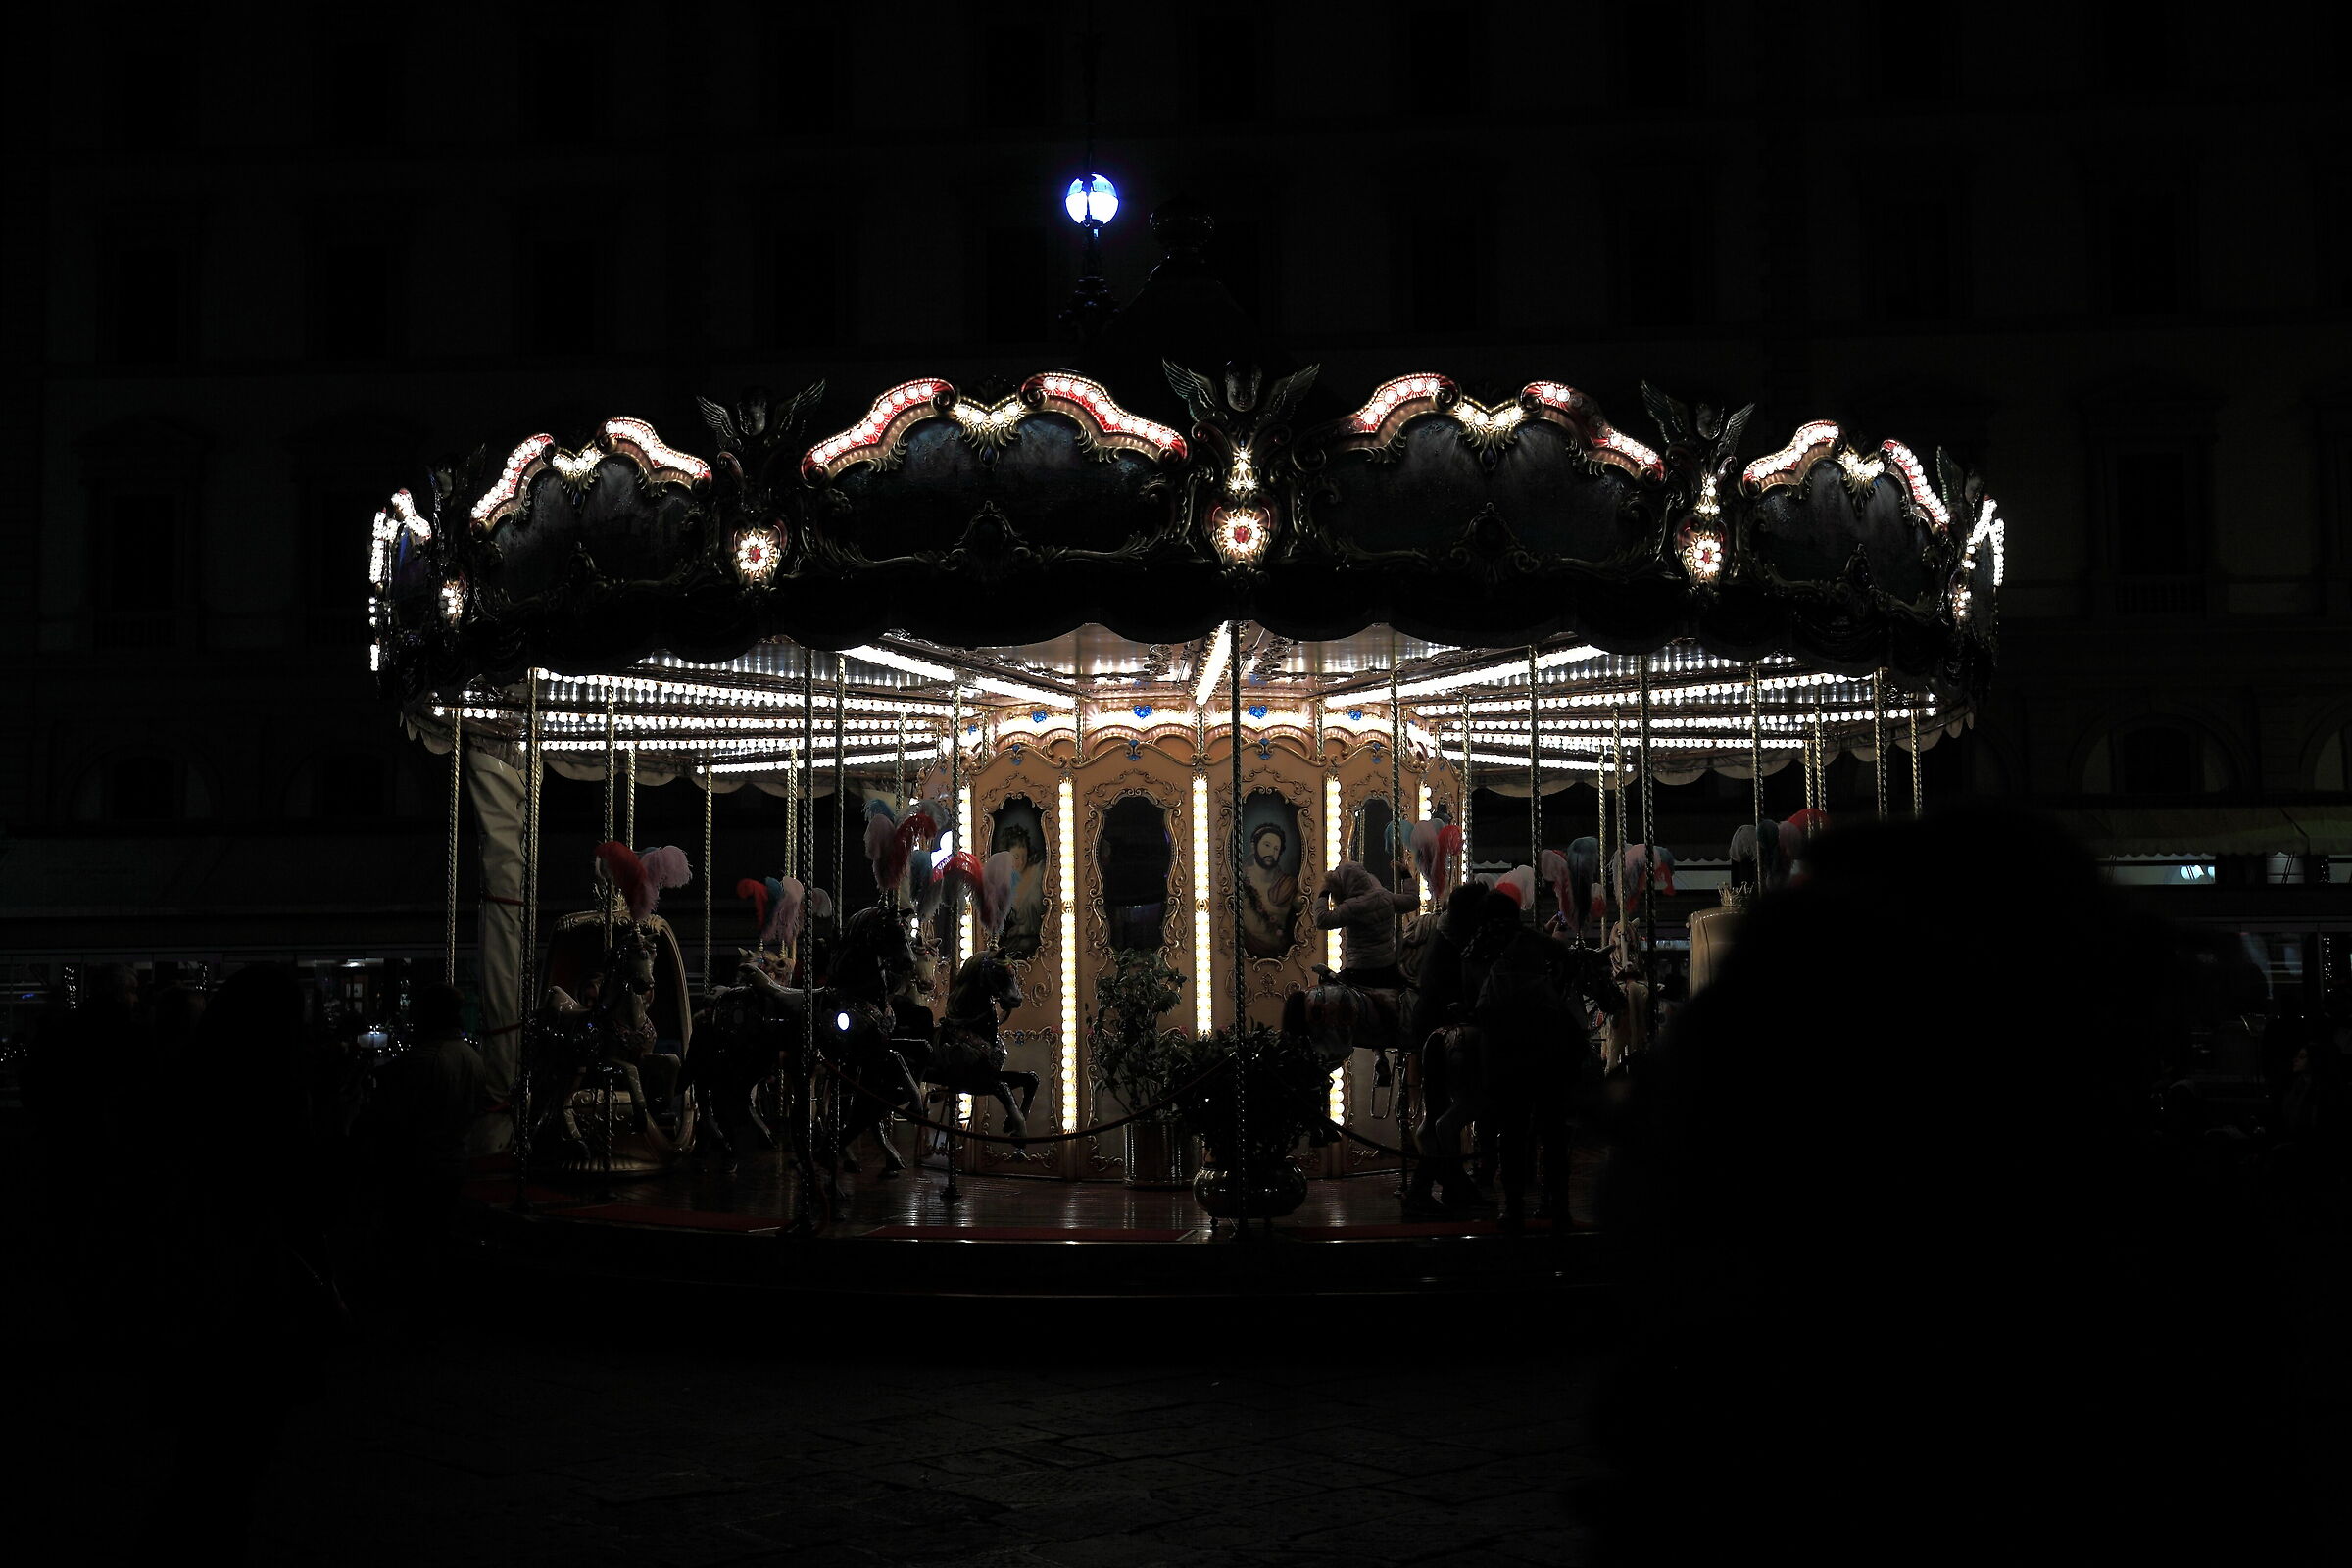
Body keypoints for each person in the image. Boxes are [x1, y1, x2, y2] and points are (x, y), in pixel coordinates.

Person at [1315, 858, 1416, 990]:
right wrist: (1406, 875)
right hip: (1387, 967)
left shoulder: (1350, 907)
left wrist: (1324, 892)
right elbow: (1412, 901)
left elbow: (1321, 920)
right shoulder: (1385, 897)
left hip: (1359, 969)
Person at [1241, 822, 1300, 957]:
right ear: (1254, 846)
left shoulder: (1288, 885)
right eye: (1267, 845)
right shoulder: (1239, 879)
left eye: (1276, 848)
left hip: (1285, 959)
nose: (1271, 852)